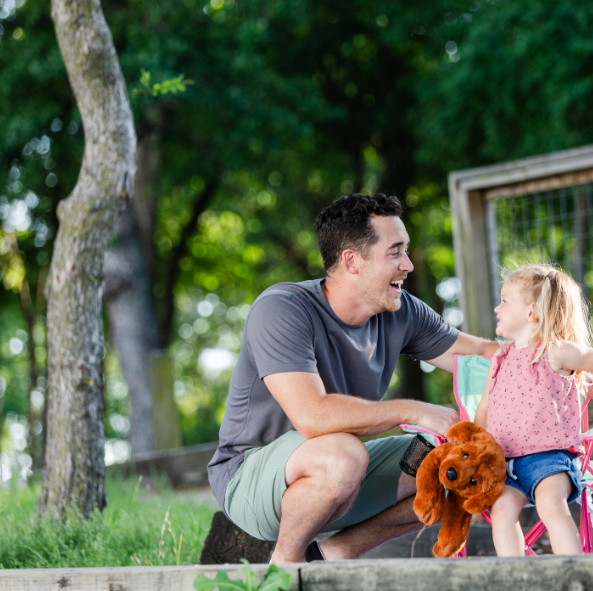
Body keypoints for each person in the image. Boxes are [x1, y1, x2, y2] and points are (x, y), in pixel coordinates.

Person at [207, 193, 497, 564]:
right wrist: (416, 410)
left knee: (467, 464)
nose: (407, 264)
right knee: (343, 454)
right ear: (351, 261)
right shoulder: (281, 309)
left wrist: (570, 364)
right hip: (250, 478)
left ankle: (332, 555)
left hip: (342, 471)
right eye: (395, 252)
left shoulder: (401, 310)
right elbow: (314, 418)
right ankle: (285, 568)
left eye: (405, 250)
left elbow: (483, 355)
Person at [473, 264, 593, 556]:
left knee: (550, 504)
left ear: (531, 311)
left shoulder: (554, 350)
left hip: (550, 459)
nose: (497, 308)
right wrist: (474, 447)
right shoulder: (500, 359)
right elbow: (485, 407)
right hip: (505, 463)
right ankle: (519, 579)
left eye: (505, 300)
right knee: (502, 510)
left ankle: (571, 572)